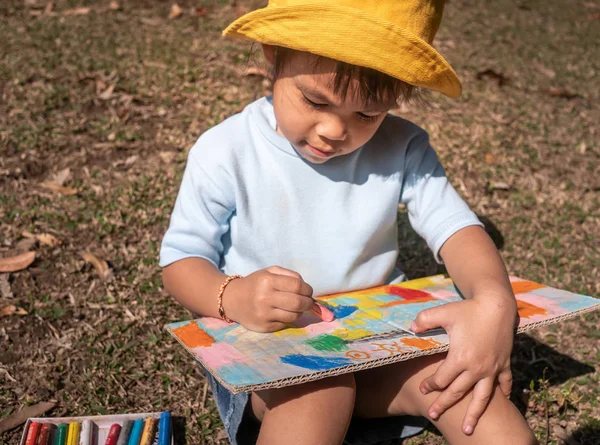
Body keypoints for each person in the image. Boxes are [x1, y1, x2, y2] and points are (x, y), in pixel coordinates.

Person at [159, 1, 539, 444]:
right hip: (279, 358)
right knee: (323, 393)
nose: (335, 131)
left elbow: (457, 229)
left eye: (368, 113)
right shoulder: (226, 151)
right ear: (272, 53)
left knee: (471, 396)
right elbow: (182, 261)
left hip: (384, 349)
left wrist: (494, 302)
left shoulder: (403, 146)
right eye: (315, 100)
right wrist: (233, 295)